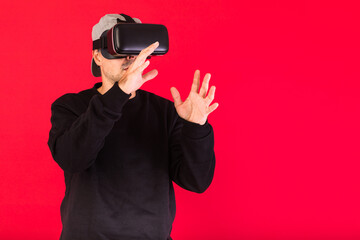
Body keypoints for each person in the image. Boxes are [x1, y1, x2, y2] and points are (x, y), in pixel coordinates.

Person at [48, 13, 219, 240]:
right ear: (98, 56)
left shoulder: (166, 111)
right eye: (119, 49)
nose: (128, 57)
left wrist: (196, 128)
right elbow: (72, 159)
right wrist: (119, 94)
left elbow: (196, 182)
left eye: (135, 49)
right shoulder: (70, 106)